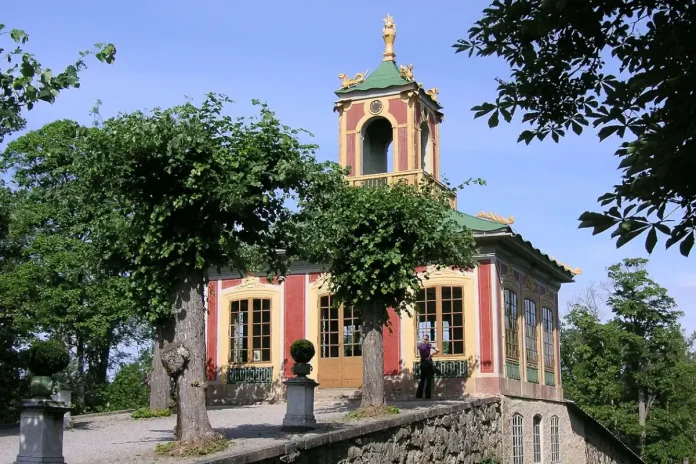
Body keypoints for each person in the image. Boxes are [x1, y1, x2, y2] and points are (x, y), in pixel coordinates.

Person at [415, 334, 438, 399]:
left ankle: (419, 395)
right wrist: (432, 354)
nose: (424, 340)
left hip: (422, 363)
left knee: (422, 380)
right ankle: (427, 396)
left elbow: (420, 351)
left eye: (424, 339)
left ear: (423, 339)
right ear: (427, 340)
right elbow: (438, 349)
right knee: (428, 380)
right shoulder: (428, 345)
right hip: (428, 363)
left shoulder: (420, 346)